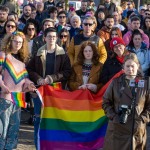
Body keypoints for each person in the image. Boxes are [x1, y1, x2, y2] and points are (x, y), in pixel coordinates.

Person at [26, 27, 71, 149]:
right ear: (44, 38)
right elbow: (29, 70)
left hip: (56, 93)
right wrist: (38, 79)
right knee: (38, 121)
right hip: (40, 92)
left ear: (56, 38)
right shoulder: (38, 53)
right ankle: (38, 146)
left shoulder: (63, 55)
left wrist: (51, 78)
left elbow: (67, 72)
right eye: (49, 36)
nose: (51, 38)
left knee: (54, 122)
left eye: (53, 36)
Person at [102, 53, 150, 150]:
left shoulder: (145, 84)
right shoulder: (115, 82)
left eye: (133, 66)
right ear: (123, 67)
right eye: (127, 66)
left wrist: (142, 119)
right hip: (117, 130)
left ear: (138, 66)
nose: (130, 69)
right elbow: (106, 102)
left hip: (136, 131)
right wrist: (114, 117)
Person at [0, 31, 36, 149]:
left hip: (18, 99)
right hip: (4, 98)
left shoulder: (22, 62)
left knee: (14, 129)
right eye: (16, 41)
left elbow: (25, 79)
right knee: (2, 128)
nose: (18, 44)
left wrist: (30, 85)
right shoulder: (3, 55)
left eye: (21, 42)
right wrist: (3, 86)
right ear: (10, 41)